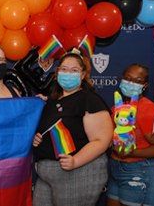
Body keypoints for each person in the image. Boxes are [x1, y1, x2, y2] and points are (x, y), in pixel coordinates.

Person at [32, 52, 113, 205]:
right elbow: (47, 129)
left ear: (83, 75)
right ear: (57, 73)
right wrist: (36, 139)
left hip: (77, 172)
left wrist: (75, 161)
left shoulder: (89, 99)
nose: (68, 73)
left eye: (74, 70)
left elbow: (102, 140)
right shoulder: (52, 100)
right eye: (64, 69)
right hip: (46, 174)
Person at [106, 63, 154, 206]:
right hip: (117, 168)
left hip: (142, 171)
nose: (131, 83)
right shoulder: (117, 108)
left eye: (137, 80)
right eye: (127, 78)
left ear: (145, 85)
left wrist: (130, 152)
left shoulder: (148, 110)